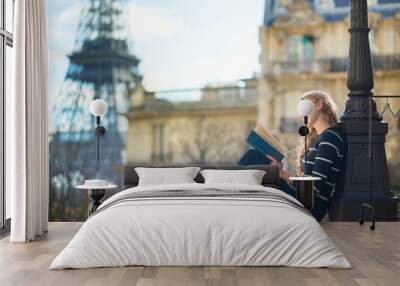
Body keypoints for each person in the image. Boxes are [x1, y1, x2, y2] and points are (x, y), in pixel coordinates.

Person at [239, 90, 344, 221]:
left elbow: (315, 186)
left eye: (303, 107)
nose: (300, 115)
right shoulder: (322, 138)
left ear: (319, 104)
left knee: (252, 157)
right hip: (305, 200)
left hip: (311, 207)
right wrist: (279, 171)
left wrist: (281, 173)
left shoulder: (330, 138)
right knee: (256, 157)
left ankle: (232, 199)